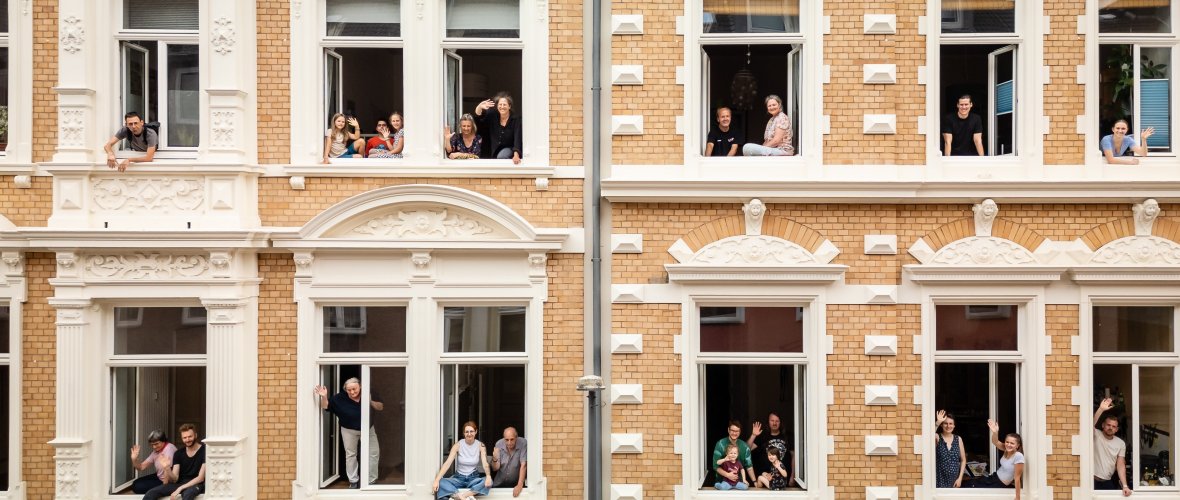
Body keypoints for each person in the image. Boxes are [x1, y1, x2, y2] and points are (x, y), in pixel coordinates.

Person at [315, 378, 383, 488]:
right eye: (349, 390)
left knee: (373, 453)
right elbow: (325, 406)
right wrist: (324, 396)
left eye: (354, 389)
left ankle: (371, 481)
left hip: (368, 429)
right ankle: (353, 481)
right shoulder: (339, 398)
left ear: (360, 386)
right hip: (348, 430)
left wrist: (369, 401)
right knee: (351, 455)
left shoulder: (369, 393)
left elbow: (380, 407)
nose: (352, 392)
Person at [142, 423, 204, 500]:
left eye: (190, 436)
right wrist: (167, 468)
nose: (187, 440)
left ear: (195, 435)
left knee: (187, 495)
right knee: (150, 493)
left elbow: (200, 478)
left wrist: (181, 488)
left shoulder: (204, 450)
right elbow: (175, 478)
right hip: (179, 483)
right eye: (184, 437)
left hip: (196, 484)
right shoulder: (179, 453)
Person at [433, 421, 493, 500]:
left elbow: (485, 464)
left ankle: (463, 496)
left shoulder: (480, 445)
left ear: (476, 432)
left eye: (471, 431)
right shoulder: (458, 445)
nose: (469, 434)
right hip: (458, 478)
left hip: (473, 478)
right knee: (441, 482)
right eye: (466, 432)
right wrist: (436, 480)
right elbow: (447, 463)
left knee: (489, 481)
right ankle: (461, 496)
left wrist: (488, 476)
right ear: (463, 433)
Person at [968, 419, 1024, 499]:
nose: (1008, 445)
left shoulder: (1018, 456)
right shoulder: (1006, 449)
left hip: (999, 484)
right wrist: (995, 432)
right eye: (1007, 442)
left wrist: (1018, 497)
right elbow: (995, 442)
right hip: (994, 477)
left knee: (975, 489)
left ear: (1017, 445)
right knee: (970, 484)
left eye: (1012, 443)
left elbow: (1017, 478)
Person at [1093, 398, 1132, 496]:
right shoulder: (1096, 435)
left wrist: (1125, 485)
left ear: (1116, 429)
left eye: (1113, 426)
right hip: (1091, 481)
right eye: (1108, 425)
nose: (1110, 428)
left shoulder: (1120, 443)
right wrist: (1101, 409)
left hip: (1107, 482)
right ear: (1103, 425)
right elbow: (1089, 425)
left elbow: (1120, 465)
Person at [748, 412, 793, 488]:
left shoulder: (787, 436)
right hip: (766, 476)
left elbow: (794, 457)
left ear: (780, 422)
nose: (774, 423)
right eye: (772, 420)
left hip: (783, 478)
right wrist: (753, 435)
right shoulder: (762, 436)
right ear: (768, 422)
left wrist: (793, 476)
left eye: (777, 421)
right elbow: (747, 449)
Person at [474, 93, 523, 163]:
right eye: (500, 104)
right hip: (494, 150)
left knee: (502, 156)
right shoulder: (493, 116)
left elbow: (517, 138)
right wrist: (479, 107)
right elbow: (480, 122)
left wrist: (516, 155)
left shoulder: (515, 119)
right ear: (497, 106)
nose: (502, 107)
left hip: (510, 149)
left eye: (504, 104)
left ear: (509, 106)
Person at [129, 430, 178, 494]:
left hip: (168, 481)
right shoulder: (156, 451)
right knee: (135, 483)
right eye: (152, 445)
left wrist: (163, 489)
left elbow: (168, 472)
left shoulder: (169, 449)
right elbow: (141, 467)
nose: (154, 447)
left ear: (164, 441)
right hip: (159, 476)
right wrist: (134, 459)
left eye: (156, 444)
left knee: (138, 487)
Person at [711, 420, 755, 488]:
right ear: (728, 430)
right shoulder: (720, 444)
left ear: (740, 432)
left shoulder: (745, 446)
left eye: (737, 431)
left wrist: (754, 481)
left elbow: (749, 466)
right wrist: (727, 475)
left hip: (739, 482)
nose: (734, 433)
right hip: (722, 482)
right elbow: (715, 466)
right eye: (732, 430)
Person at [490, 426, 527, 497]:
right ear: (504, 438)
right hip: (499, 484)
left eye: (512, 439)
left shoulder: (523, 443)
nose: (509, 442)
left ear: (516, 437)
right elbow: (495, 468)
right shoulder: (499, 444)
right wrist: (495, 458)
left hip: (515, 485)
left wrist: (520, 485)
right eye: (506, 440)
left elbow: (524, 465)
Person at [934, 410, 967, 488]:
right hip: (939, 481)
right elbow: (927, 438)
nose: (948, 426)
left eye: (951, 423)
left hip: (954, 482)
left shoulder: (958, 439)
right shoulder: (937, 437)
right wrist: (937, 422)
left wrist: (960, 478)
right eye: (945, 423)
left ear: (954, 425)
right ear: (942, 425)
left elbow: (963, 460)